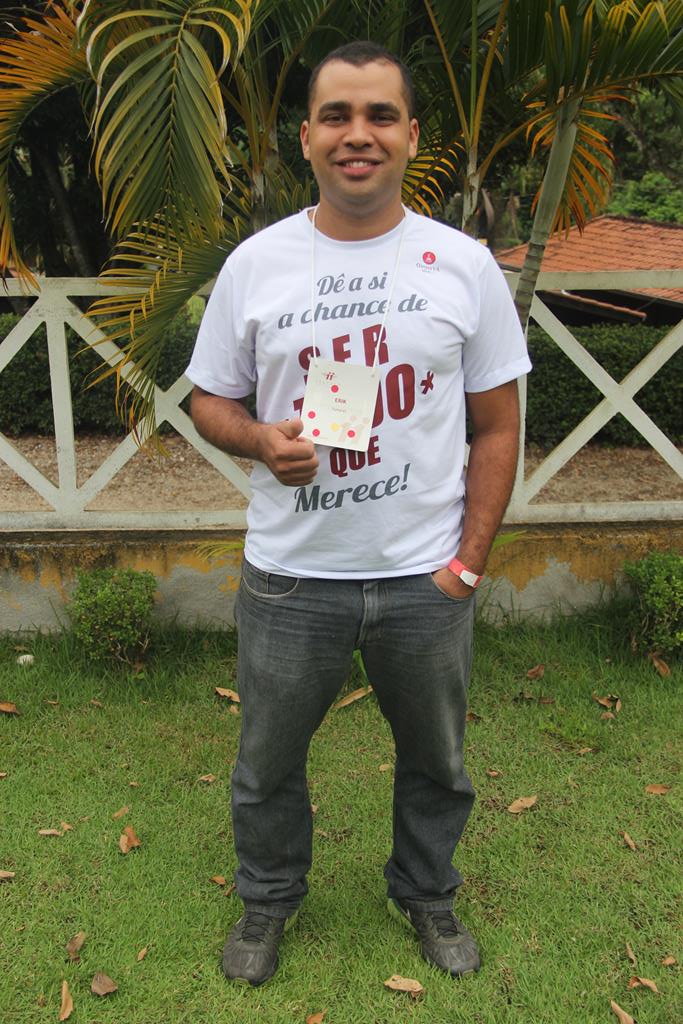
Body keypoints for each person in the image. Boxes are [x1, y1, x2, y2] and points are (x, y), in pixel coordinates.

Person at [186, 41, 531, 987]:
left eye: (379, 114)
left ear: (411, 135)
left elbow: (498, 426)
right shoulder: (257, 264)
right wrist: (261, 440)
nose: (357, 134)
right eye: (336, 115)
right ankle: (267, 899)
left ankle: (426, 892)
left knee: (436, 760)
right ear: (305, 137)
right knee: (266, 761)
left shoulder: (462, 265)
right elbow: (207, 400)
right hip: (291, 576)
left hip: (423, 578)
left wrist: (466, 563)